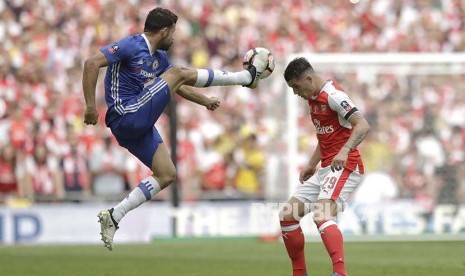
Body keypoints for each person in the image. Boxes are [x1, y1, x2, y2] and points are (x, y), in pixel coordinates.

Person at [82, 7, 268, 251]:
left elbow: (176, 85)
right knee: (177, 72)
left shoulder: (159, 58)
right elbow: (91, 63)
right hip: (126, 114)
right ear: (163, 31)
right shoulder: (130, 45)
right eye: (173, 32)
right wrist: (90, 107)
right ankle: (244, 78)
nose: (175, 37)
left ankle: (114, 215)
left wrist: (205, 100)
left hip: (137, 122)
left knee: (167, 173)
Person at [280, 57, 371, 276]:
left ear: (309, 79)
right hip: (326, 167)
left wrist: (344, 150)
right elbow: (326, 137)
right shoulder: (313, 99)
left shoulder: (334, 96)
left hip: (345, 165)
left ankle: (340, 273)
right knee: (288, 215)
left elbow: (363, 125)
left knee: (321, 215)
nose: (295, 93)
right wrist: (311, 165)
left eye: (295, 86)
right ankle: (299, 273)